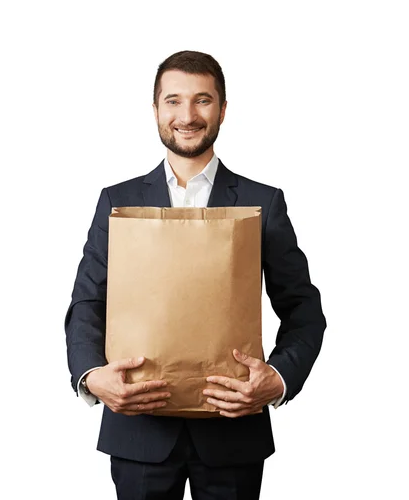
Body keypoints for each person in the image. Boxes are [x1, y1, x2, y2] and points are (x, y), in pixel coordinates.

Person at [65, 50, 326, 500]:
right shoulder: (117, 201)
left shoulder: (263, 203)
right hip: (138, 431)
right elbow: (88, 302)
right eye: (173, 101)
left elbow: (304, 310)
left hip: (233, 433)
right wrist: (91, 375)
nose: (187, 115)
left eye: (202, 100)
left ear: (223, 109)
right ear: (155, 110)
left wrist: (277, 380)